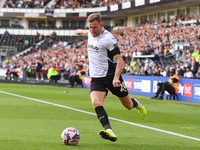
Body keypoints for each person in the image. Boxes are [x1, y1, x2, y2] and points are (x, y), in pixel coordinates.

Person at [75, 13, 147, 142]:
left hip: (111, 76)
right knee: (96, 102)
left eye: (95, 27)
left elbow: (120, 61)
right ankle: (109, 130)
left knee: (128, 106)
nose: (92, 30)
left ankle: (136, 103)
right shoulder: (91, 33)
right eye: (90, 27)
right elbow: (87, 33)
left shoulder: (108, 39)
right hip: (97, 78)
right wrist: (80, 31)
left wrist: (116, 78)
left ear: (101, 25)